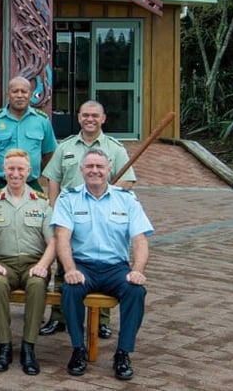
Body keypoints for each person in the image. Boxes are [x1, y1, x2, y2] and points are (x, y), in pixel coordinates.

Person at [51, 148, 153, 381]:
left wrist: (137, 271)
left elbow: (139, 240)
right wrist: (70, 269)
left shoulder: (126, 199)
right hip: (83, 266)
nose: (94, 171)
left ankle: (123, 353)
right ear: (81, 170)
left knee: (136, 291)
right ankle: (78, 349)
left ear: (109, 170)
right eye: (90, 166)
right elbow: (62, 237)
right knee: (70, 289)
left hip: (115, 268)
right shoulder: (69, 198)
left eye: (99, 167)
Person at [40, 100, 136, 338]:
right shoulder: (66, 146)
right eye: (85, 115)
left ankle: (100, 320)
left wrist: (105, 194)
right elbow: (53, 179)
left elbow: (127, 181)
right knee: (64, 267)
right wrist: (55, 208)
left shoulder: (115, 148)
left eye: (95, 115)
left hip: (101, 218)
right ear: (79, 117)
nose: (89, 119)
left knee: (102, 264)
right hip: (70, 216)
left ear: (103, 119)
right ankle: (59, 317)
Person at [0, 149, 55, 375]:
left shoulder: (41, 202)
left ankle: (28, 347)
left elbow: (53, 241)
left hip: (34, 262)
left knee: (37, 285)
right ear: (3, 171)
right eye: (11, 168)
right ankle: (4, 346)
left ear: (29, 171)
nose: (15, 174)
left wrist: (43, 266)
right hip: (4, 262)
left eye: (20, 169)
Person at [0, 76, 57, 193]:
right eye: (15, 91)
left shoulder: (41, 120)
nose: (19, 95)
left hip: (30, 183)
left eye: (24, 92)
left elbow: (49, 152)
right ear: (8, 95)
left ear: (30, 95)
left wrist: (36, 171)